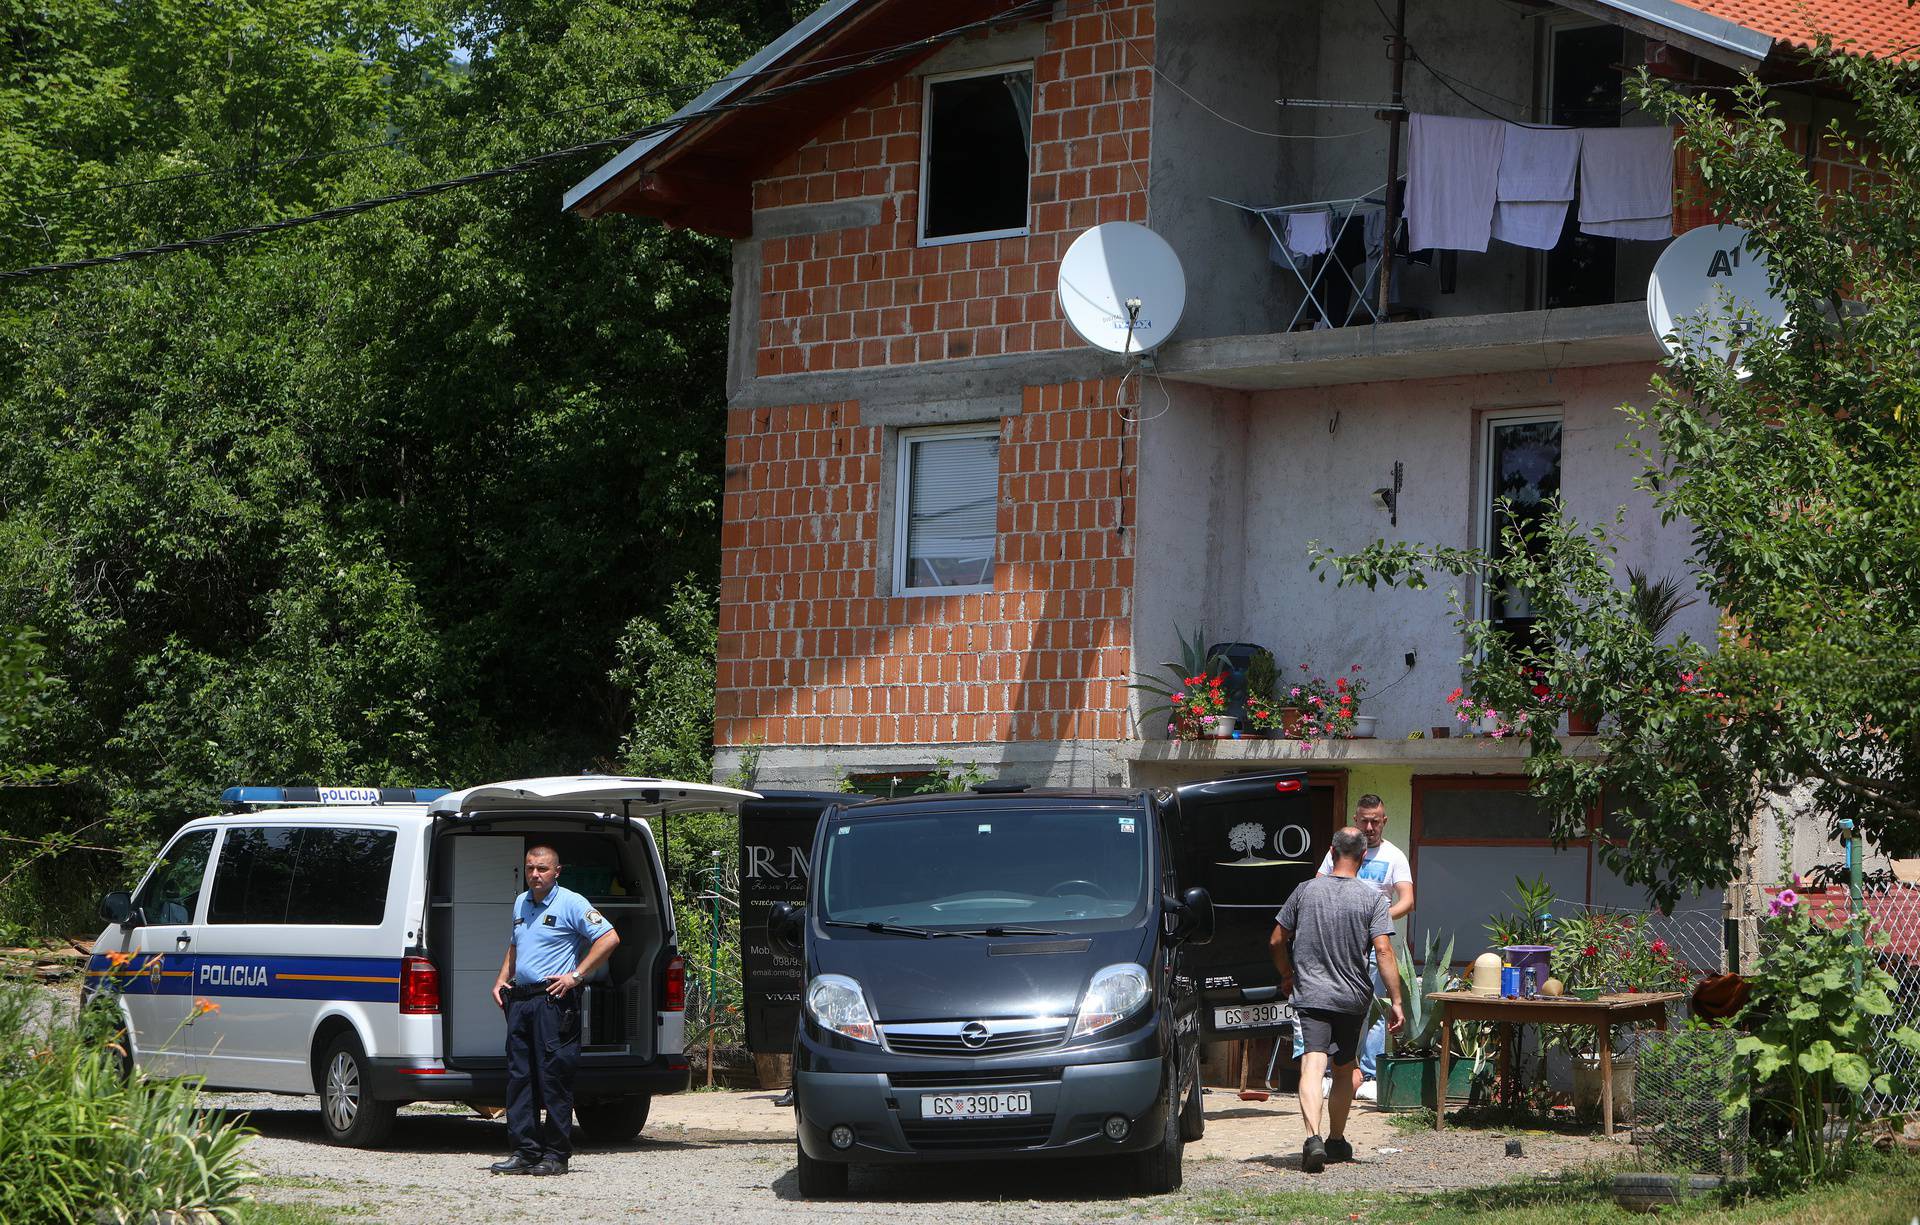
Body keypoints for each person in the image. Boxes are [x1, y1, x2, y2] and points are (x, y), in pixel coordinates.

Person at [1270, 826, 1404, 1173]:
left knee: (1312, 1066)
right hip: (1352, 998)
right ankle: (1336, 1140)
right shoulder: (1373, 899)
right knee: (1345, 1069)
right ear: (1362, 856)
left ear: (1331, 852)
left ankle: (1312, 1138)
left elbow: (1275, 940)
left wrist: (1287, 974)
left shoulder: (1305, 891)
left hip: (1311, 995)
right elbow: (1384, 951)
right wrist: (1397, 1001)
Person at [489, 845, 619, 1176]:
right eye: (531, 868)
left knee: (553, 1078)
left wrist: (576, 976)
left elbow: (609, 938)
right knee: (520, 1078)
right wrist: (502, 979)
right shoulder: (522, 902)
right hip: (521, 1000)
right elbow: (516, 944)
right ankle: (525, 1151)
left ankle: (555, 1155)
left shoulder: (571, 902)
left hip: (553, 1001)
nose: (535, 874)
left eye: (542, 869)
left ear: (556, 871)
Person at [1291, 794, 1414, 1102]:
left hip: (1374, 946)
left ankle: (1370, 1075)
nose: (1370, 827)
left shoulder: (1394, 856)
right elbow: (1317, 886)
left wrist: (1376, 922)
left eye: (1376, 821)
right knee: (1323, 1004)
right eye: (1365, 821)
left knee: (1373, 1011)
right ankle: (1326, 1073)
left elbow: (1408, 901)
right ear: (1356, 819)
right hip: (1335, 943)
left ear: (1384, 821)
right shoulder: (1342, 851)